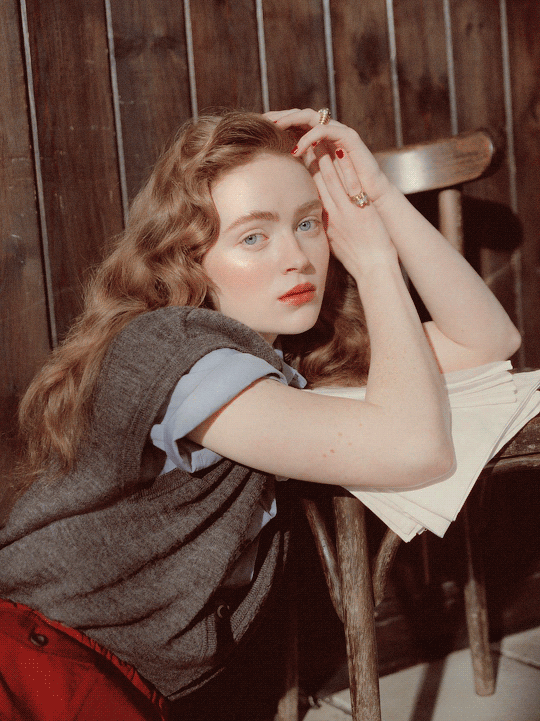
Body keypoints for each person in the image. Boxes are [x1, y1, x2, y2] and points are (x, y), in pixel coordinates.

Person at [0, 108, 520, 720]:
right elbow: (418, 451)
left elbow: (487, 341)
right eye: (253, 237)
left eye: (308, 223)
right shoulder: (175, 350)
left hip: (104, 679)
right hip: (34, 665)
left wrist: (378, 194)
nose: (297, 257)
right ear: (186, 257)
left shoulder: (281, 352)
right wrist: (376, 263)